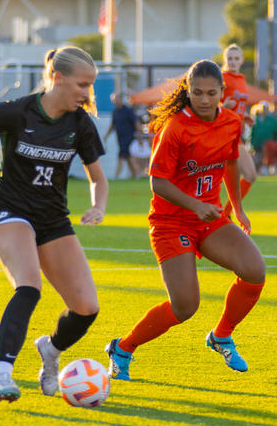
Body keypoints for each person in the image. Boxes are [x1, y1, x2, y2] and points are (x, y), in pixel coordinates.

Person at [0, 46, 109, 404]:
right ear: (58, 78)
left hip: (52, 220)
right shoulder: (19, 111)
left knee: (86, 308)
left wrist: (98, 205)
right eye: (83, 84)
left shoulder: (81, 124)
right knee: (29, 286)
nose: (87, 93)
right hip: (9, 212)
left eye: (91, 86)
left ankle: (50, 351)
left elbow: (98, 177)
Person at [105, 59, 266, 381]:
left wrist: (237, 207)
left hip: (208, 218)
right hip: (170, 221)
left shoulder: (232, 122)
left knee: (254, 271)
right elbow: (158, 183)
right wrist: (194, 205)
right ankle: (122, 347)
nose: (204, 99)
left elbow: (232, 164)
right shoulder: (175, 127)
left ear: (222, 92)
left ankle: (221, 336)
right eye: (197, 93)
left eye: (210, 93)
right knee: (185, 307)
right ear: (187, 92)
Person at [220, 44, 257, 213]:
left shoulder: (241, 79)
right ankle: (222, 215)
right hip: (221, 134)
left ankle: (226, 214)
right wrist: (222, 106)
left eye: (236, 59)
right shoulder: (220, 78)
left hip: (235, 135)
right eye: (229, 58)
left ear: (242, 60)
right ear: (224, 60)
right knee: (211, 179)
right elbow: (206, 106)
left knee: (250, 175)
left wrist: (245, 116)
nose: (233, 62)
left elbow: (238, 106)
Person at [103, 92, 141, 179]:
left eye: (116, 99)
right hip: (119, 137)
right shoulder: (115, 112)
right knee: (127, 155)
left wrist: (139, 136)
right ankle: (135, 175)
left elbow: (136, 122)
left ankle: (116, 176)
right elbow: (113, 125)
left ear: (120, 99)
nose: (115, 102)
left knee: (121, 155)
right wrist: (106, 135)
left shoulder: (128, 110)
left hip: (128, 136)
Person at [249, 102, 277, 174]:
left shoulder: (272, 120)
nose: (264, 110)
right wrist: (251, 143)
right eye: (263, 108)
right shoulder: (255, 120)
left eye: (266, 108)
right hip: (257, 143)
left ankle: (267, 172)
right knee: (257, 159)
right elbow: (251, 133)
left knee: (267, 159)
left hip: (268, 144)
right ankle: (258, 173)